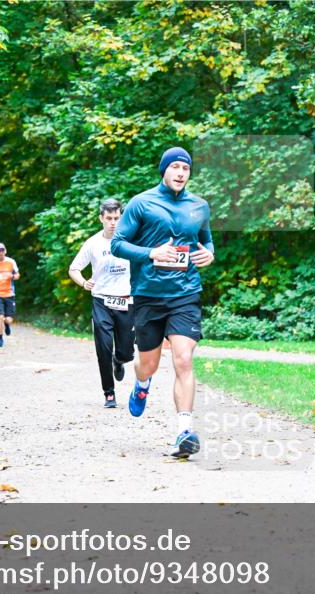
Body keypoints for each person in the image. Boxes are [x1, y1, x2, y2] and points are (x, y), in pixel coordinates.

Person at [111, 147, 215, 458]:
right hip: (148, 295)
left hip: (185, 293)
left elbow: (206, 240)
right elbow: (117, 244)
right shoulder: (141, 203)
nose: (181, 173)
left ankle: (184, 431)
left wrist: (209, 254)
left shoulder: (199, 206)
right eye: (175, 167)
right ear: (164, 170)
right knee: (149, 364)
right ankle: (142, 384)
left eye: (186, 168)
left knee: (183, 359)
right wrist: (151, 253)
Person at [68, 198, 136, 408]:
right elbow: (73, 269)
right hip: (102, 301)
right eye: (109, 218)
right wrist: (83, 283)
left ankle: (119, 360)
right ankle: (109, 393)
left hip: (127, 301)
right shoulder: (93, 243)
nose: (113, 223)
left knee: (126, 352)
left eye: (117, 218)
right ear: (101, 218)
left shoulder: (131, 240)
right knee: (104, 348)